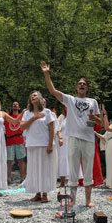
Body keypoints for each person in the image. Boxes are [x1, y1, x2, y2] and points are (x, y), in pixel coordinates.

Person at [41, 61, 101, 207]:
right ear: (76, 87)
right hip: (73, 138)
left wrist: (95, 119)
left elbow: (99, 122)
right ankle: (73, 200)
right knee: (73, 170)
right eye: (79, 83)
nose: (81, 85)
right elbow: (53, 91)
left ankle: (88, 200)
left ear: (87, 88)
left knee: (88, 169)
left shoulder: (93, 102)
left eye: (84, 84)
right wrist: (46, 73)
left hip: (88, 138)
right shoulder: (71, 100)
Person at [20, 91, 56, 203]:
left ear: (40, 98)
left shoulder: (47, 112)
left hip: (44, 144)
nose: (33, 97)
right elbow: (22, 127)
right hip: (32, 144)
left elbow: (51, 128)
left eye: (35, 95)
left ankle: (45, 194)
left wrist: (50, 144)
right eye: (31, 96)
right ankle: (37, 193)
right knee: (34, 169)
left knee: (45, 169)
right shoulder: (27, 113)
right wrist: (34, 118)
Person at [5, 101, 26, 182]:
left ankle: (22, 177)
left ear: (19, 107)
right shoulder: (7, 117)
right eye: (13, 104)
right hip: (9, 140)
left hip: (19, 140)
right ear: (12, 107)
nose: (15, 105)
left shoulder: (22, 117)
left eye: (17, 104)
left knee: (21, 160)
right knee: (9, 160)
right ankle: (8, 177)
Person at [56, 106, 69, 188]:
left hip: (70, 139)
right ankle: (62, 181)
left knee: (71, 158)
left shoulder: (73, 117)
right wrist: (60, 138)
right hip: (62, 141)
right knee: (62, 159)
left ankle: (73, 180)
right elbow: (57, 128)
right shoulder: (61, 117)